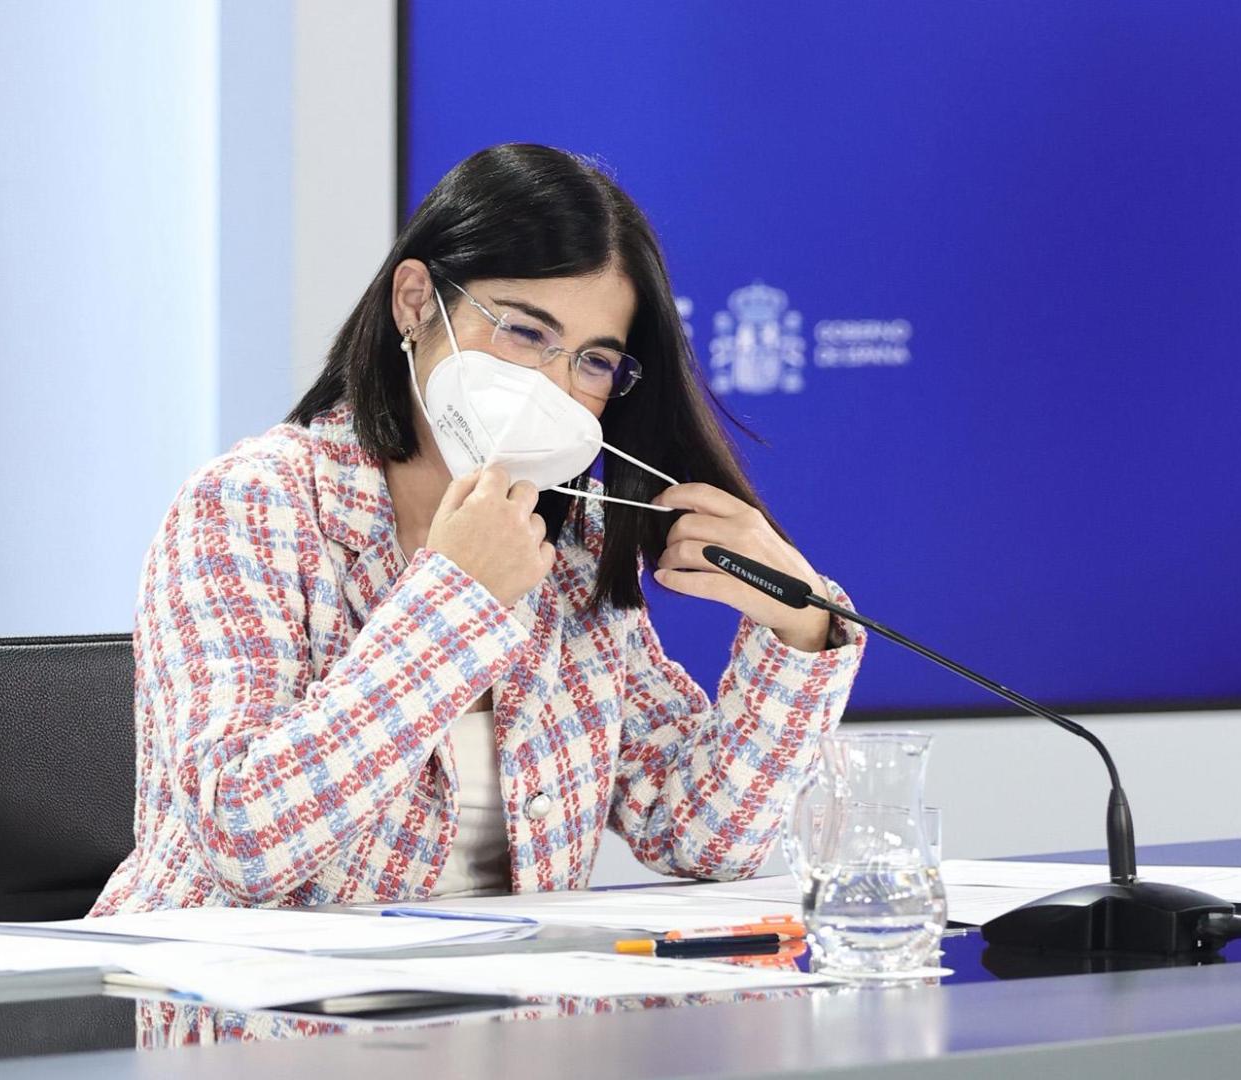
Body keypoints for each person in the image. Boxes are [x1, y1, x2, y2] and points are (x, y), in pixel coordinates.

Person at [90, 144, 863, 915]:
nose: (552, 386)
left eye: (594, 362)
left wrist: (799, 626)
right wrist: (457, 599)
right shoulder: (251, 504)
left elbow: (700, 837)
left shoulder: (574, 542)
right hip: (238, 993)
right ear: (415, 303)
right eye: (524, 332)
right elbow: (242, 838)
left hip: (505, 990)